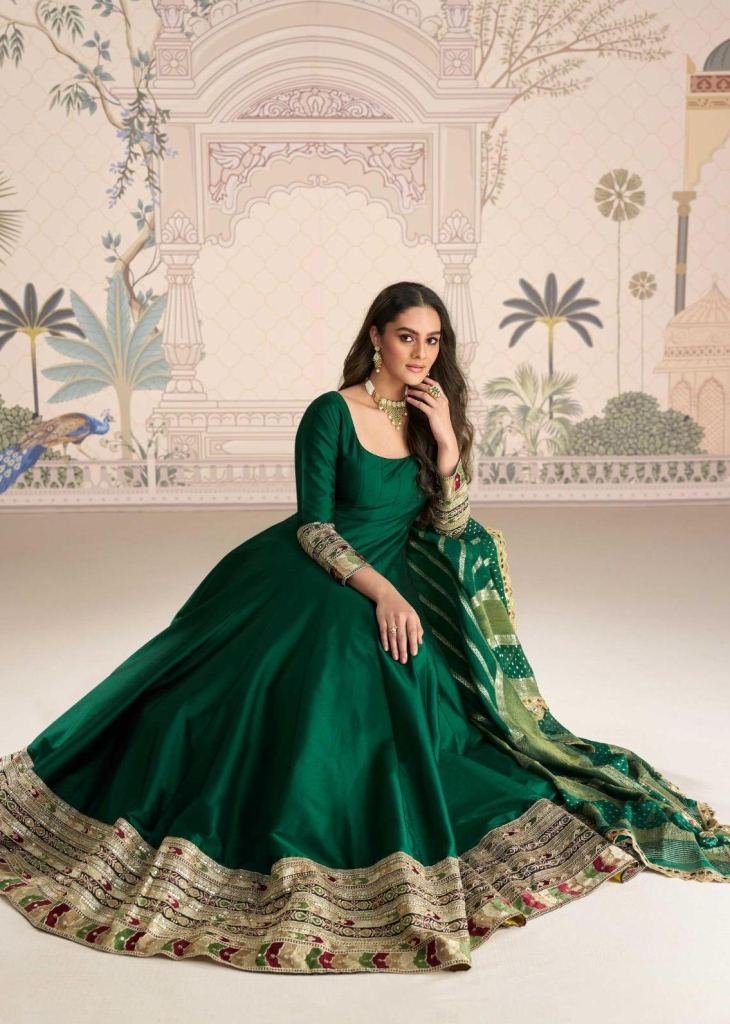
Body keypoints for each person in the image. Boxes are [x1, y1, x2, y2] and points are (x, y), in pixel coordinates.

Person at [1, 281, 728, 976]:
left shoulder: (432, 413)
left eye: (433, 341)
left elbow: (449, 525)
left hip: (393, 580)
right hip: (316, 576)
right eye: (407, 337)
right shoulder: (331, 413)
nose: (421, 353)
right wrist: (382, 593)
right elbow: (314, 526)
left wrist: (447, 444)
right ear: (376, 337)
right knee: (260, 697)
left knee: (420, 699)